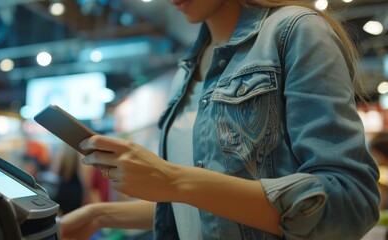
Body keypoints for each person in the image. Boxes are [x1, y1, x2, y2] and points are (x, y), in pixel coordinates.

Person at [59, 0, 381, 239]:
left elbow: (349, 201)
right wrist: (100, 216)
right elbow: (208, 212)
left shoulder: (294, 31)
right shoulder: (187, 70)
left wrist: (173, 180)